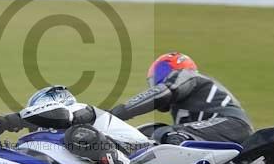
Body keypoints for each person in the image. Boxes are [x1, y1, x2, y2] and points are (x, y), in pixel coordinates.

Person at [0, 85, 153, 164]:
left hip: (139, 152)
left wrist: (8, 121)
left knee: (76, 135)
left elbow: (60, 116)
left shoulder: (79, 110)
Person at [109, 52, 254, 145]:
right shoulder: (182, 103)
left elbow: (162, 92)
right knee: (150, 131)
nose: (158, 79)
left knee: (170, 135)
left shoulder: (188, 76)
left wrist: (114, 114)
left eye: (162, 71)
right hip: (224, 129)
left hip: (231, 124)